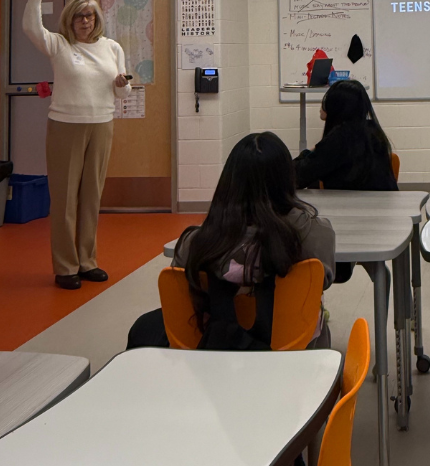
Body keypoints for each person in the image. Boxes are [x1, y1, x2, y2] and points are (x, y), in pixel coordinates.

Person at [127, 132, 336, 350]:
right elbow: (324, 280)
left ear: (229, 180)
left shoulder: (194, 244)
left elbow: (182, 295)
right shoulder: (316, 234)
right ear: (286, 179)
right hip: (294, 353)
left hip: (210, 357)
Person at [24, 0, 130, 290]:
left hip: (101, 124)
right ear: (70, 20)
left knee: (91, 197)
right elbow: (31, 27)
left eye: (90, 15)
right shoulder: (59, 44)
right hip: (65, 127)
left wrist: (121, 85)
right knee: (65, 197)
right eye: (79, 16)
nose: (85, 21)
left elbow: (123, 92)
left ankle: (87, 261)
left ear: (97, 19)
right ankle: (66, 266)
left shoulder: (112, 47)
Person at [294, 79, 397, 191]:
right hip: (380, 205)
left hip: (353, 206)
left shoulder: (341, 138)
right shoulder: (372, 131)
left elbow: (298, 176)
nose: (322, 106)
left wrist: (308, 151)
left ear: (335, 106)